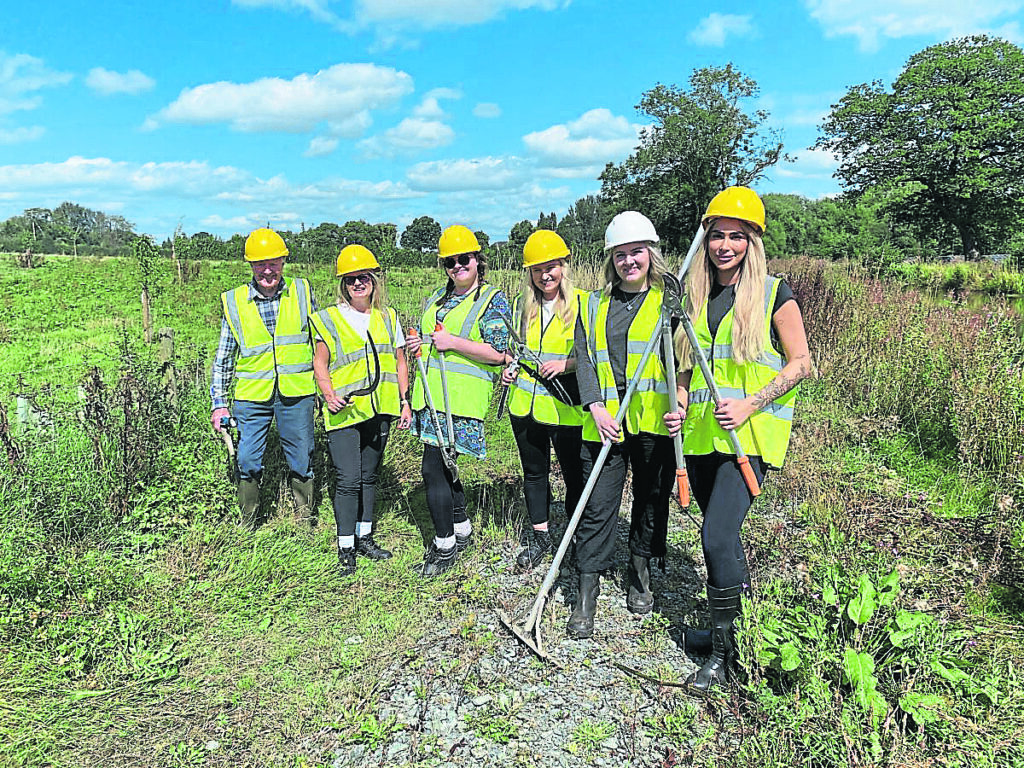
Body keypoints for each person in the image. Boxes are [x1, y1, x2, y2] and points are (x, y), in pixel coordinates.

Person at [664, 186, 812, 691]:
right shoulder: (695, 295)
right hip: (704, 437)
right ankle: (731, 630)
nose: (725, 245)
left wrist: (751, 403)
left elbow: (801, 364)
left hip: (748, 440)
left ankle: (726, 656)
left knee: (717, 537)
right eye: (717, 235)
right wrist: (680, 399)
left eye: (737, 236)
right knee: (721, 541)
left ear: (753, 241)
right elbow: (686, 364)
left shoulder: (774, 292)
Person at [569, 211, 677, 639]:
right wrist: (594, 406)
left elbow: (683, 359)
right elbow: (584, 360)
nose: (629, 261)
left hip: (651, 422)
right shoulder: (592, 304)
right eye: (621, 254)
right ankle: (586, 591)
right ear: (610, 258)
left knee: (652, 501)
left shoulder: (670, 300)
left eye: (637, 252)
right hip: (605, 423)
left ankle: (639, 570)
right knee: (597, 508)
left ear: (651, 254)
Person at [405, 225, 511, 577]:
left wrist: (452, 343)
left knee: (431, 470)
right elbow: (434, 339)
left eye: (463, 259)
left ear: (478, 260)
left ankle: (444, 546)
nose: (457, 266)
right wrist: (419, 343)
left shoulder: (491, 299)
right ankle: (462, 528)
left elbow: (499, 353)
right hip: (432, 399)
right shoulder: (439, 296)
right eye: (450, 262)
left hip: (461, 401)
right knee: (445, 467)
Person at [310, 245, 413, 575]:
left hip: (380, 409)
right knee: (349, 479)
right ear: (344, 283)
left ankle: (364, 537)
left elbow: (399, 361)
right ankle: (345, 546)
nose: (358, 283)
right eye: (351, 279)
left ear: (373, 281)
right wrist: (328, 395)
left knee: (369, 477)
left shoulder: (388, 317)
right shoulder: (330, 319)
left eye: (364, 277)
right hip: (344, 410)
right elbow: (320, 363)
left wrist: (404, 401)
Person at [211, 228, 317, 528]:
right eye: (260, 263)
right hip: (251, 397)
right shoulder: (234, 302)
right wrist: (219, 404)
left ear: (284, 261)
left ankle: (304, 521)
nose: (267, 269)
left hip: (296, 393)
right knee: (246, 459)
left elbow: (322, 344)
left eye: (273, 262)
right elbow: (223, 358)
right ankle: (248, 523)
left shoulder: (303, 292)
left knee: (302, 458)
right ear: (250, 266)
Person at [500, 230, 586, 570]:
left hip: (564, 407)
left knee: (572, 475)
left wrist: (566, 364)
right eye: (537, 269)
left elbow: (593, 355)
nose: (545, 275)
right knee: (533, 474)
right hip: (525, 406)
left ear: (563, 266)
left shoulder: (583, 303)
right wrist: (510, 369)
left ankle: (578, 538)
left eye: (551, 267)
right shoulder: (525, 307)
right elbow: (515, 353)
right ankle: (540, 538)